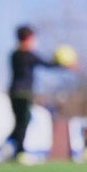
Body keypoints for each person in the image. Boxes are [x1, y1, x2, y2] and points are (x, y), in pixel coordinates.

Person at [6, 24, 68, 164]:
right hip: (23, 94)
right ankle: (19, 152)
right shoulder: (27, 55)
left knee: (22, 121)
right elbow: (46, 64)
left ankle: (10, 143)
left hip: (14, 92)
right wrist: (63, 64)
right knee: (23, 122)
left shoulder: (14, 54)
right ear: (27, 38)